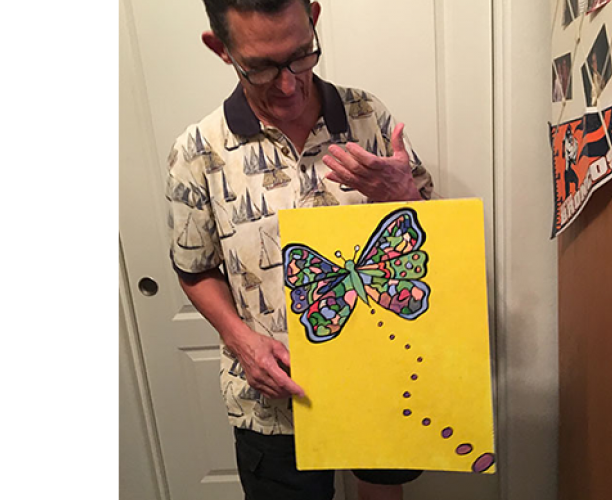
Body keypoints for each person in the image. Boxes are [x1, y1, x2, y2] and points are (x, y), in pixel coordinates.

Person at [165, 1, 434, 499]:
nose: (288, 83)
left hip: (376, 377)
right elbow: (194, 268)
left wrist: (406, 199)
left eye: (301, 56)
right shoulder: (196, 151)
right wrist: (241, 340)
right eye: (262, 66)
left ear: (313, 18)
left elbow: (429, 238)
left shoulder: (368, 116)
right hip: (268, 400)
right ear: (220, 48)